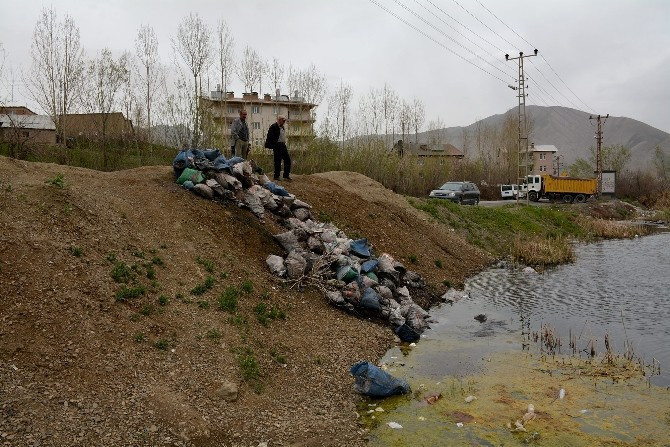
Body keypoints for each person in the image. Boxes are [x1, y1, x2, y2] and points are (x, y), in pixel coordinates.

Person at [264, 115, 292, 181]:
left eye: (284, 121)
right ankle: (276, 176)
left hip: (283, 145)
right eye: (283, 120)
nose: (284, 122)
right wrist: (274, 145)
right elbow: (270, 136)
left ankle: (286, 175)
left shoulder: (282, 127)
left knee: (287, 160)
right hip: (277, 145)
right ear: (279, 120)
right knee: (277, 161)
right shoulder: (274, 126)